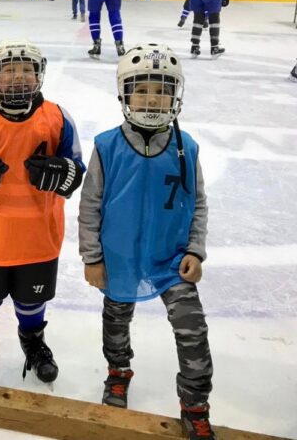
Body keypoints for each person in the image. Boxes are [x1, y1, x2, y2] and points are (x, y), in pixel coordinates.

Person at [78, 44, 215, 440]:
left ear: (177, 95)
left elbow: (198, 202)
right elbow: (90, 207)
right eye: (142, 89)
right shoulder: (107, 146)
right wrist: (92, 257)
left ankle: (195, 405)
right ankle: (118, 373)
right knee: (115, 323)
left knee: (193, 332)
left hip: (171, 262)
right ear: (125, 93)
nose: (153, 98)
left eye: (162, 89)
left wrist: (194, 250)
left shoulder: (186, 147)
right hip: (118, 260)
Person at [0, 40, 84, 385]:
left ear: (39, 75)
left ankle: (34, 343)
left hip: (38, 238)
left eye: (26, 69)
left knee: (31, 301)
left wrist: (66, 171)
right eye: (8, 70)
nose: (17, 77)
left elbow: (76, 168)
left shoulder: (57, 116)